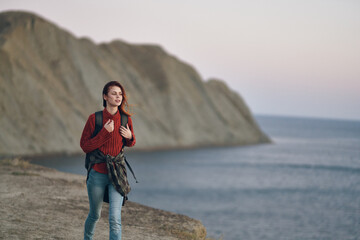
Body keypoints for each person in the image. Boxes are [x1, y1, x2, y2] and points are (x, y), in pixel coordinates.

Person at [80, 81, 136, 240]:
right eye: (114, 93)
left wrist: (130, 137)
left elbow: (130, 142)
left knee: (115, 219)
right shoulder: (94, 119)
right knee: (94, 215)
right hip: (97, 174)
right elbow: (85, 146)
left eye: (120, 94)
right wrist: (104, 132)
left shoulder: (126, 119)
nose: (118, 97)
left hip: (117, 175)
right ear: (105, 96)